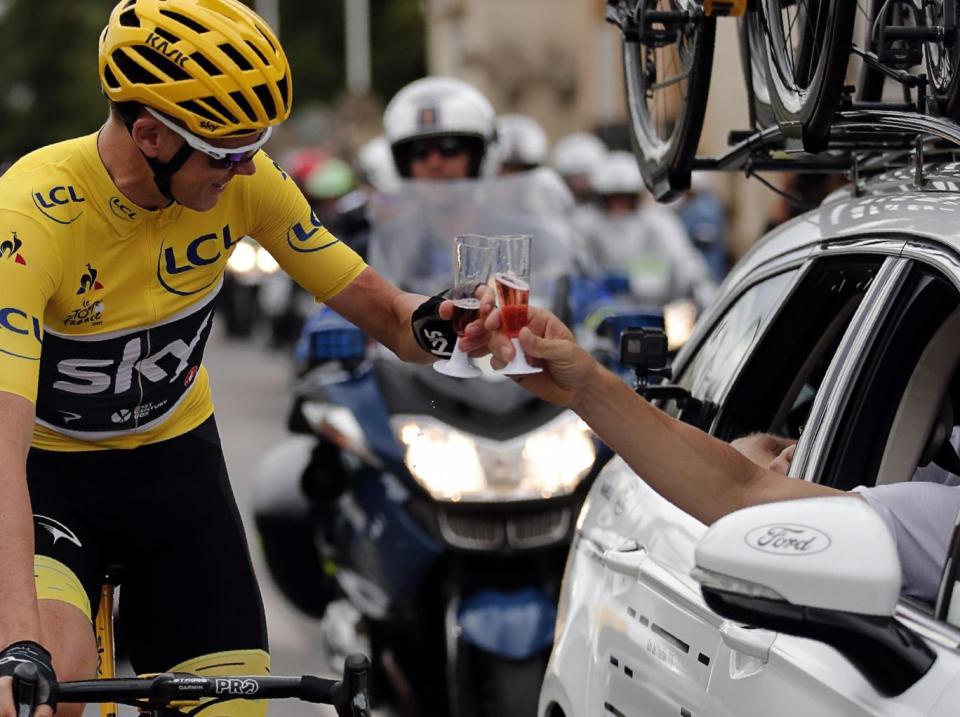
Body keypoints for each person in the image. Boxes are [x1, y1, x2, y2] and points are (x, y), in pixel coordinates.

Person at [0, 4, 493, 717]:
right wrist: (18, 645)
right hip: (49, 479)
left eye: (252, 149)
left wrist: (445, 323)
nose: (242, 169)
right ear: (149, 135)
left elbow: (389, 315)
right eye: (224, 153)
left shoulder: (246, 181)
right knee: (49, 693)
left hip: (173, 466)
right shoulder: (31, 216)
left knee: (231, 707)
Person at [486, 307, 960, 605]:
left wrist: (589, 389)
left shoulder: (934, 513)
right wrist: (587, 387)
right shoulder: (937, 513)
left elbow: (745, 491)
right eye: (783, 456)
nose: (787, 463)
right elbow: (743, 489)